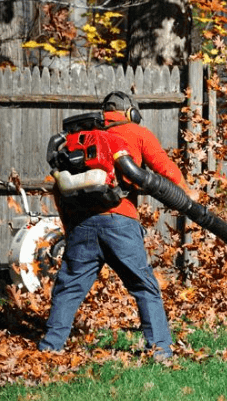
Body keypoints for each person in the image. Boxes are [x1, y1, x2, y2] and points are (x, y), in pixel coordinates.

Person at [38, 91, 197, 359]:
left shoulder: (78, 141)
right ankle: (160, 350)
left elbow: (59, 190)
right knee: (144, 286)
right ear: (131, 112)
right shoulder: (136, 132)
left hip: (82, 224)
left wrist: (70, 229)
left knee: (69, 287)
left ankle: (49, 349)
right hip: (119, 221)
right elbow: (164, 167)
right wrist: (187, 193)